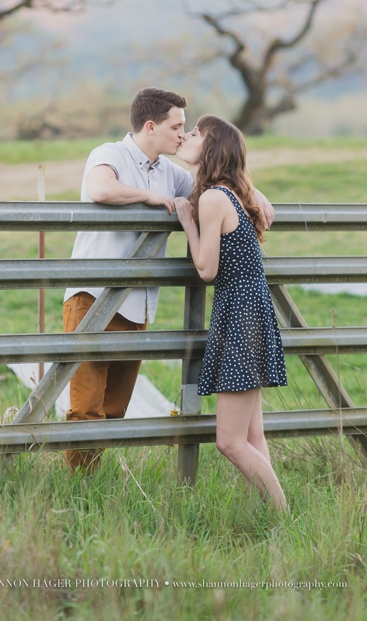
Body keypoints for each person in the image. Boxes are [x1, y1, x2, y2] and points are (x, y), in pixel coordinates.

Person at [64, 88, 275, 473]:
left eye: (186, 129)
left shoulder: (169, 172)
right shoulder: (108, 155)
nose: (182, 134)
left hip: (136, 303)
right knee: (86, 406)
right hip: (92, 296)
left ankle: (88, 482)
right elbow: (100, 189)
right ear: (151, 126)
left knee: (114, 407)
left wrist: (254, 194)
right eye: (177, 127)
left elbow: (223, 180)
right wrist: (151, 199)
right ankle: (77, 483)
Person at [173, 115, 289, 512]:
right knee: (253, 438)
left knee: (230, 442)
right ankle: (272, 518)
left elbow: (206, 271)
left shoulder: (211, 199)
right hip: (251, 314)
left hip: (240, 316)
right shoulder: (235, 194)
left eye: (194, 133)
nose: (185, 136)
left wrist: (188, 223)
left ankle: (284, 515)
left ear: (210, 148)